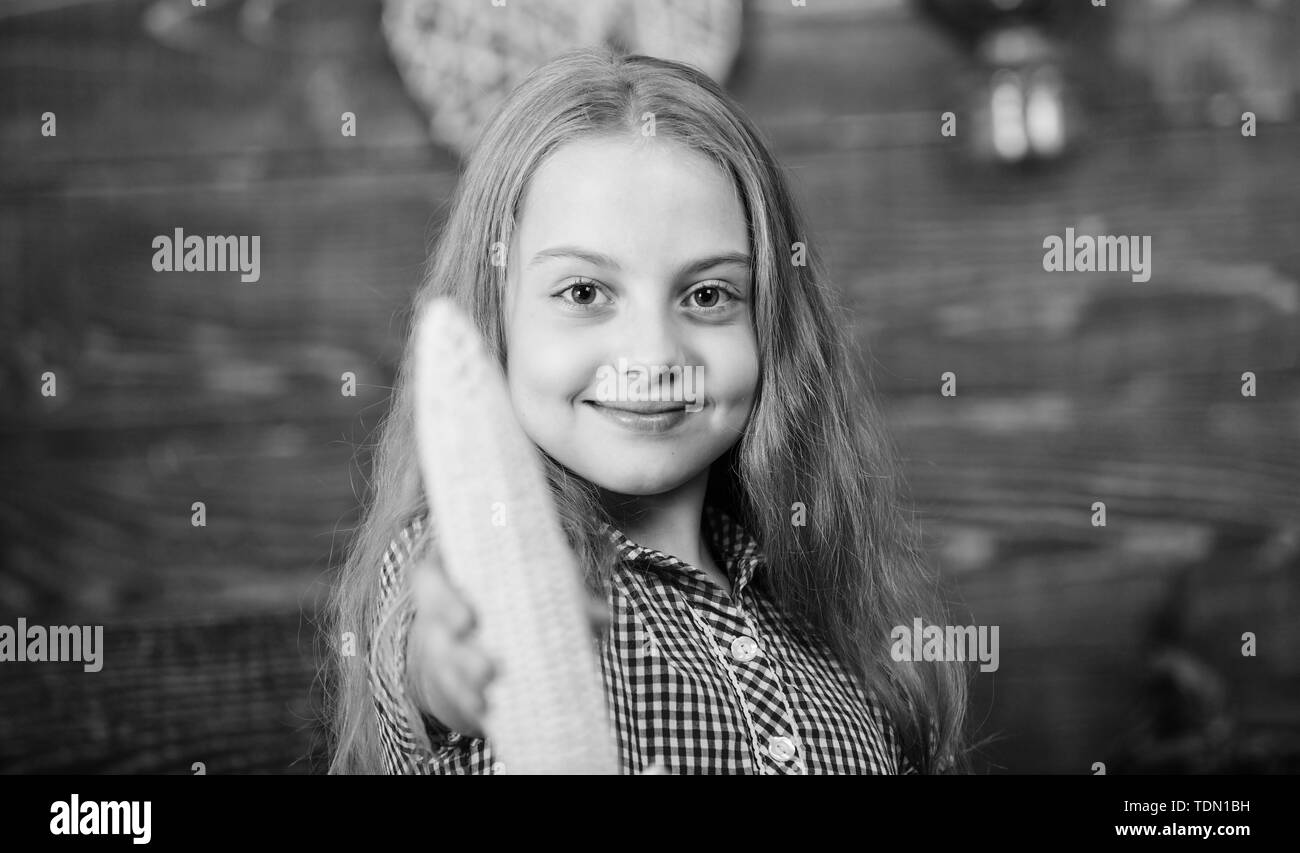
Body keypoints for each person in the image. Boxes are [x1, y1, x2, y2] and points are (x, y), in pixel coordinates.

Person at [327, 47, 969, 775]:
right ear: (494, 320)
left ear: (770, 326)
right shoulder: (468, 548)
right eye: (583, 293)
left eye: (707, 295)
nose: (651, 354)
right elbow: (424, 642)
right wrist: (455, 663)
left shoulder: (822, 619)